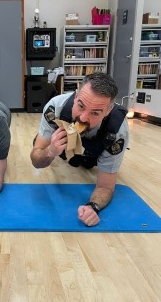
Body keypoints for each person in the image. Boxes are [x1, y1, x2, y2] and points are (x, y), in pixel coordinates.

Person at [30, 72, 129, 227]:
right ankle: (46, 137)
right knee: (39, 144)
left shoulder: (117, 131)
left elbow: (105, 186)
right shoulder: (55, 107)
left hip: (92, 156)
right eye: (81, 106)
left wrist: (93, 207)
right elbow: (36, 161)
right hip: (60, 149)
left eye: (95, 113)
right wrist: (50, 151)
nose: (83, 118)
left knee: (85, 164)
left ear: (108, 111)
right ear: (75, 96)